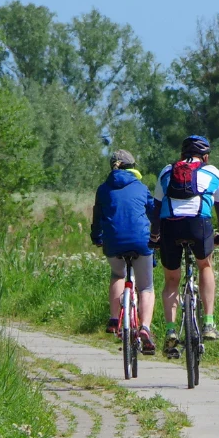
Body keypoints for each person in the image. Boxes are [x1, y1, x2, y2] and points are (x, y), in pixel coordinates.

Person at [152, 134, 219, 358]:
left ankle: (170, 330)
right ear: (205, 157)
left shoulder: (166, 171)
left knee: (171, 280)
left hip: (170, 226)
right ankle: (208, 323)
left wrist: (155, 236)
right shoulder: (213, 172)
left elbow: (156, 209)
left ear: (181, 156)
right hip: (199, 224)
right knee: (205, 265)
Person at [90, 149, 157, 354]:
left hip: (113, 242)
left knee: (118, 274)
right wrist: (158, 237)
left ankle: (113, 319)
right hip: (141, 242)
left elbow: (97, 218)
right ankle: (145, 327)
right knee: (145, 286)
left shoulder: (103, 189)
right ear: (133, 167)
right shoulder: (141, 187)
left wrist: (97, 238)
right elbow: (154, 213)